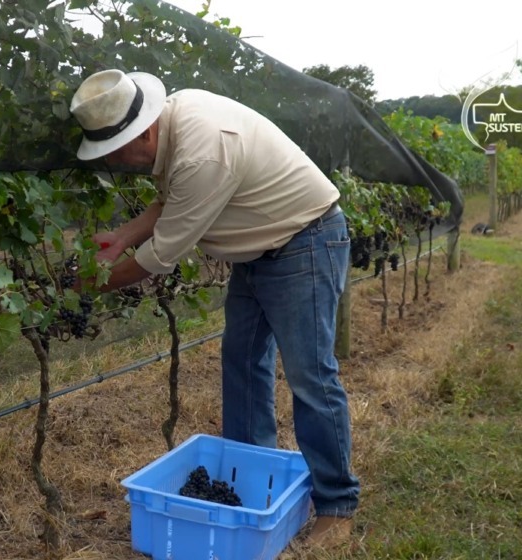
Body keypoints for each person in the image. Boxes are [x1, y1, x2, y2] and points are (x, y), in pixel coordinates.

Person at [69, 69, 360, 547]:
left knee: (310, 374)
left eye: (116, 151)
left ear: (142, 131)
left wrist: (94, 284)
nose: (116, 162)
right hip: (259, 251)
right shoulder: (175, 122)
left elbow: (161, 256)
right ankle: (247, 484)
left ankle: (337, 504)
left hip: (305, 242)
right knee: (242, 362)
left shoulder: (204, 147)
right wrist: (120, 237)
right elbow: (169, 202)